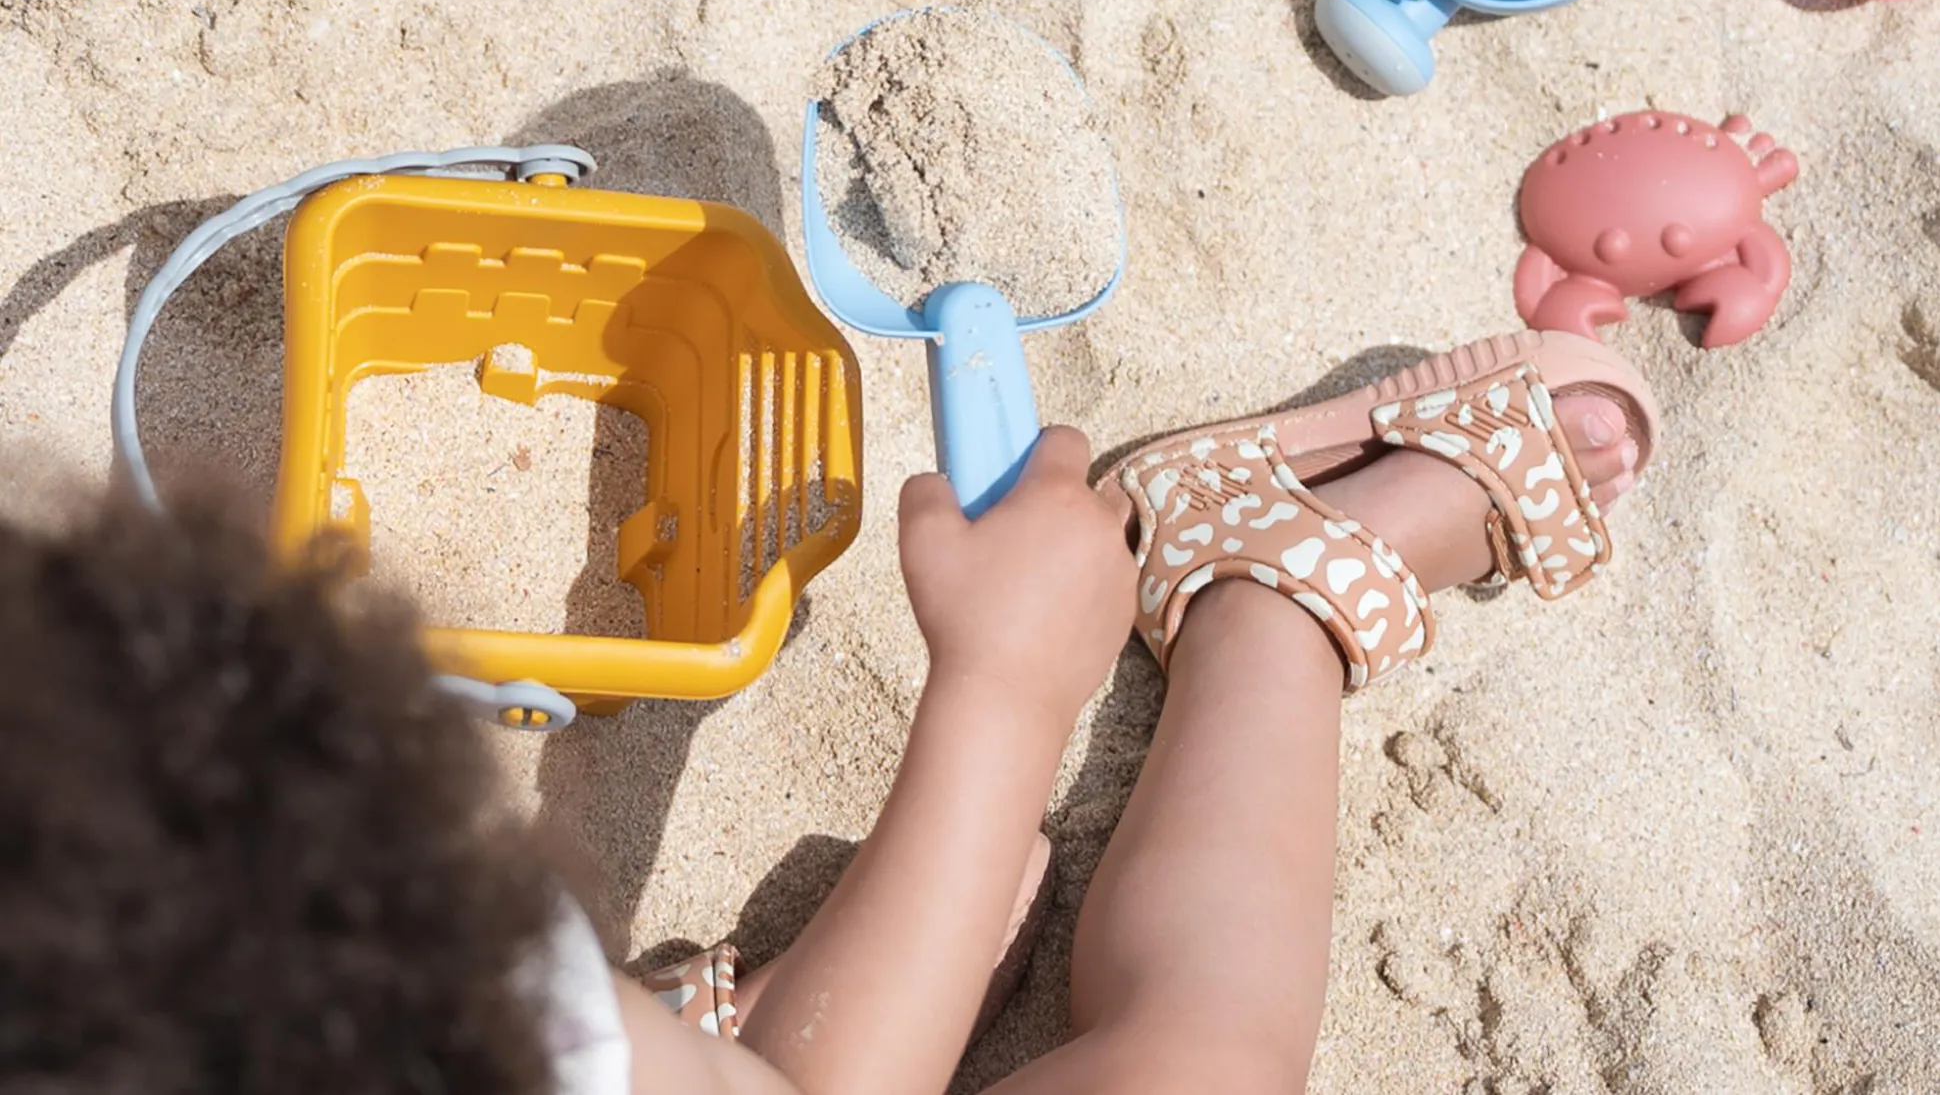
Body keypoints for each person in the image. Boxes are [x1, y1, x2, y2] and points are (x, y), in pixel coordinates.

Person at [0, 333, 1650, 1095]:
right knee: (1205, 1062)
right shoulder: (350, 985)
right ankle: (1268, 603)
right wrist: (1003, 692)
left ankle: (723, 1022)